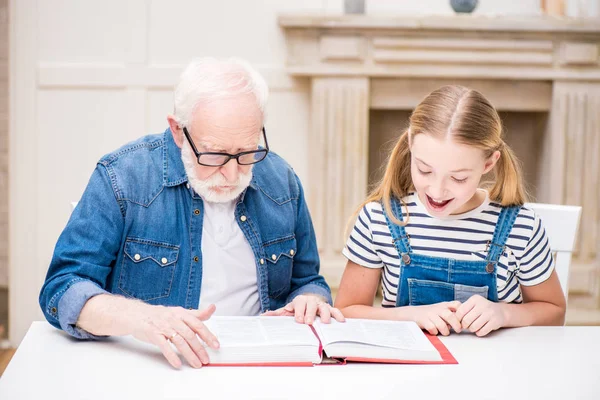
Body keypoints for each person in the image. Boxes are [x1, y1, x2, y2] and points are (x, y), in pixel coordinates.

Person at [39, 57, 343, 369]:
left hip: (258, 367)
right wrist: (142, 317)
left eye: (246, 152)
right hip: (149, 368)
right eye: (215, 155)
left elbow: (308, 281)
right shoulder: (123, 178)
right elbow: (62, 288)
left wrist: (311, 301)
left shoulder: (282, 180)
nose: (231, 173)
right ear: (177, 130)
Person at [334, 85, 565, 337]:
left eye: (458, 178)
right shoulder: (379, 219)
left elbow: (554, 312)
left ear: (489, 163)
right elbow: (346, 311)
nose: (437, 190)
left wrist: (505, 313)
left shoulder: (522, 226)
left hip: (496, 370)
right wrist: (409, 316)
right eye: (424, 170)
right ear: (411, 143)